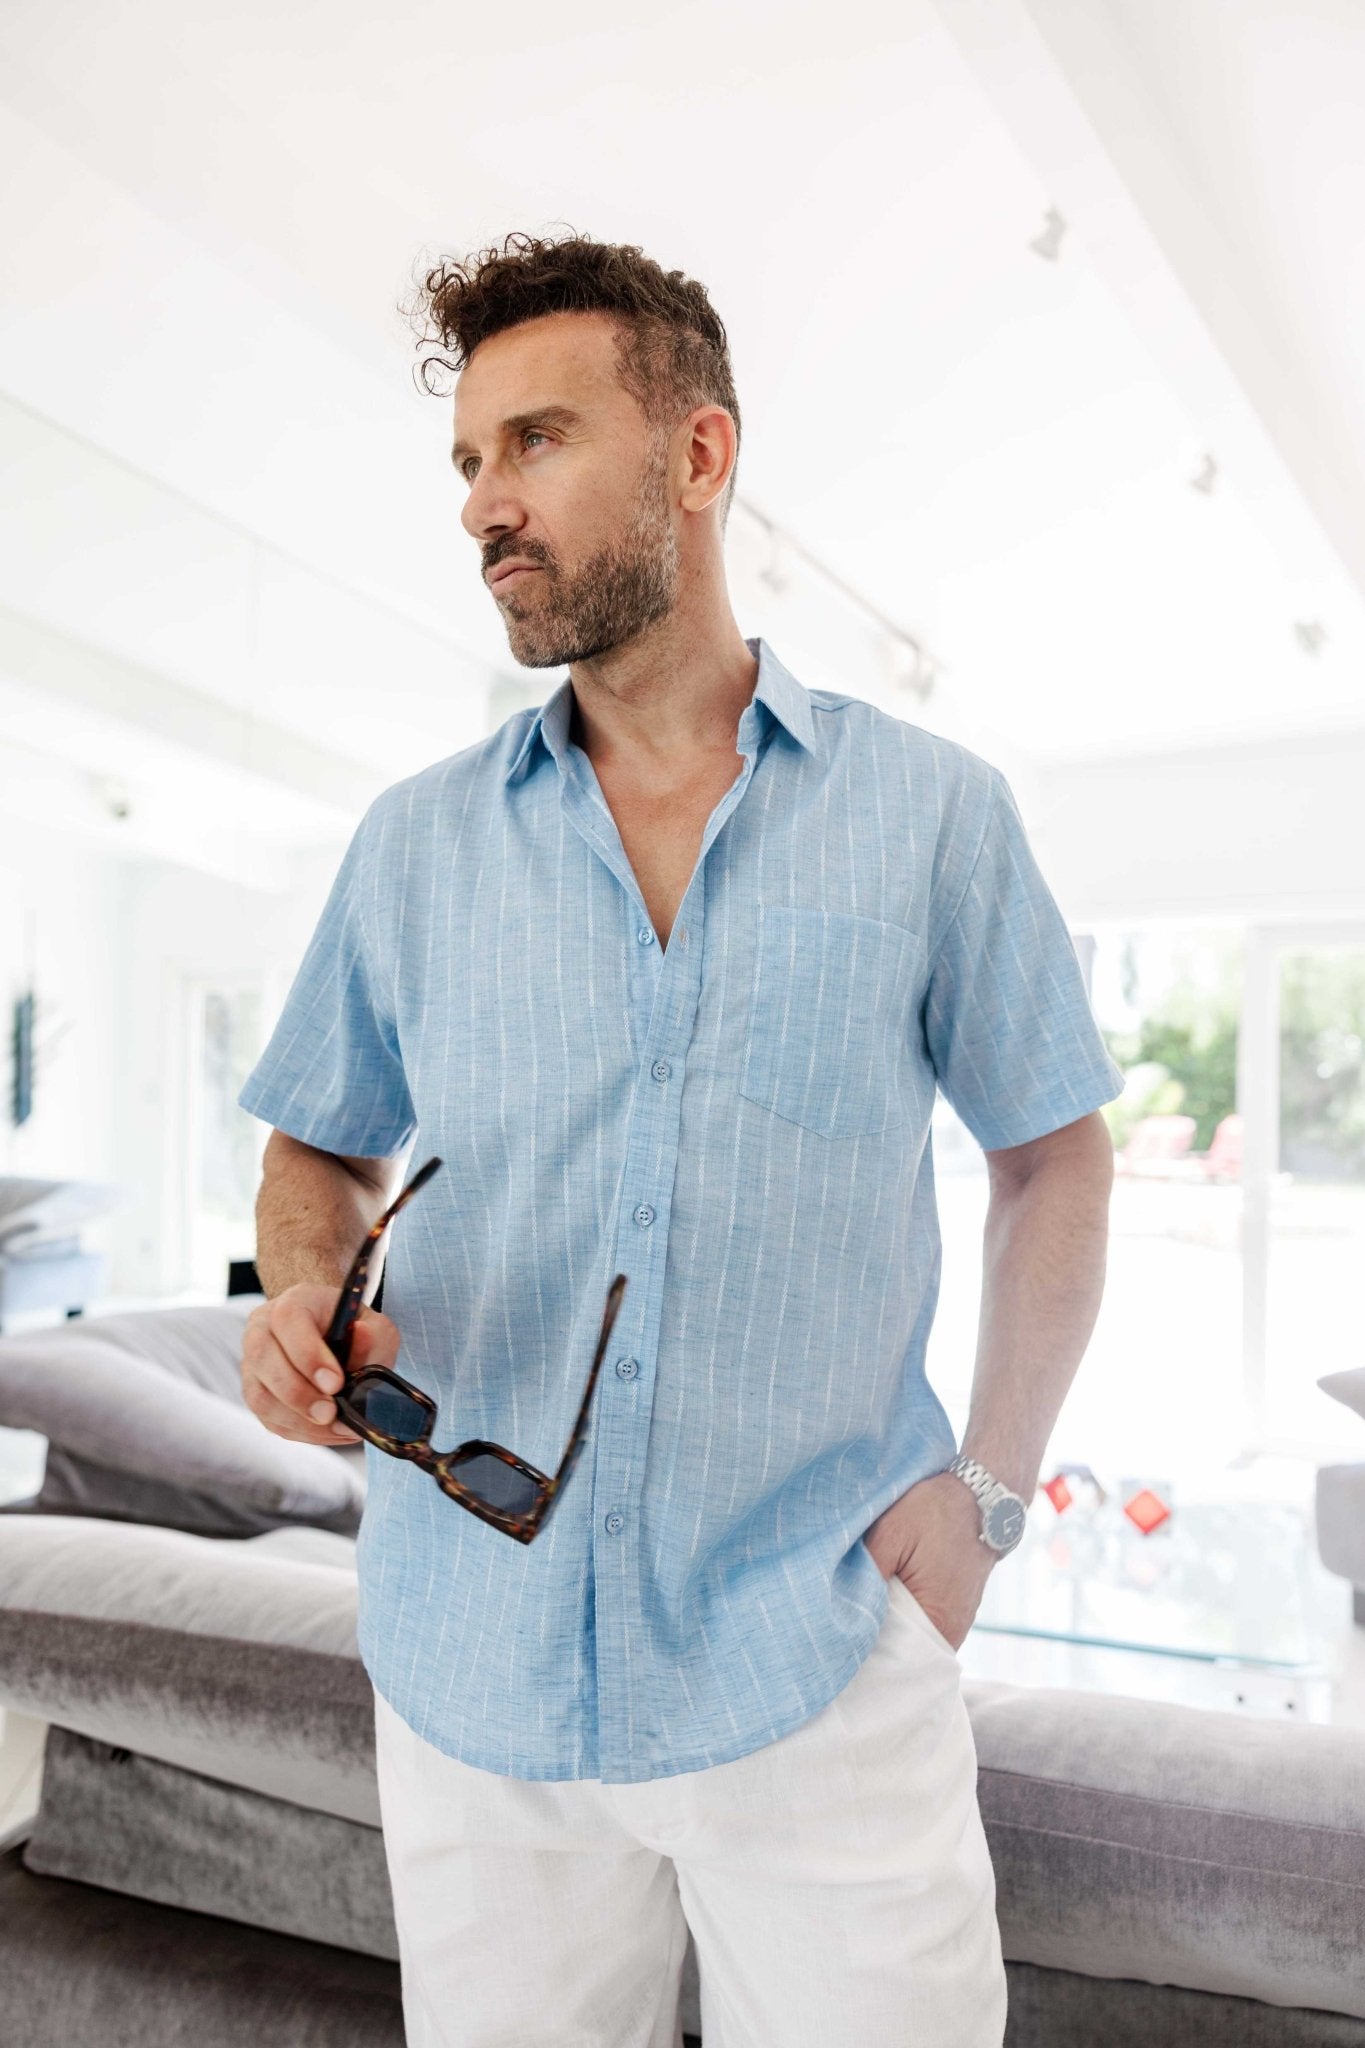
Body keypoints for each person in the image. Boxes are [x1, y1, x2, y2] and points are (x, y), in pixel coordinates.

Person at [238, 231, 1123, 2048]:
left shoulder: (932, 818)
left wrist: (986, 1500)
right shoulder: (413, 844)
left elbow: (1056, 1157)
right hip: (471, 1684)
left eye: (537, 441)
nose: (488, 502)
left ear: (697, 458)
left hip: (816, 1667)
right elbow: (314, 1147)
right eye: (470, 462)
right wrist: (307, 1296)